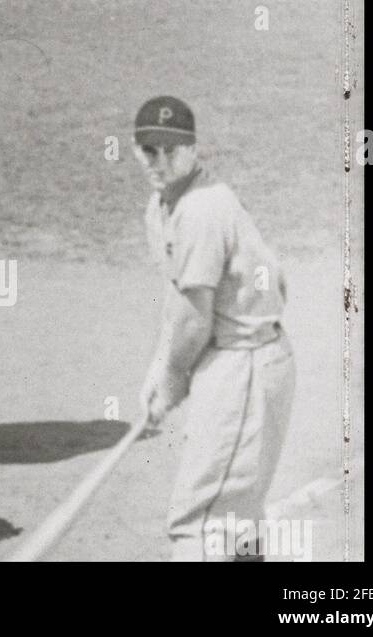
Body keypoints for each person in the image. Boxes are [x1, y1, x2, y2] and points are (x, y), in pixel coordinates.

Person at [131, 96, 296, 561]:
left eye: (171, 149)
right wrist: (158, 370)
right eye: (148, 150)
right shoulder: (162, 206)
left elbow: (195, 319)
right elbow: (179, 300)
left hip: (244, 364)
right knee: (234, 522)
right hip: (237, 362)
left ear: (194, 149)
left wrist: (172, 379)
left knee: (199, 525)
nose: (159, 161)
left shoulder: (202, 208)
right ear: (134, 150)